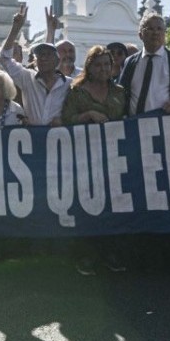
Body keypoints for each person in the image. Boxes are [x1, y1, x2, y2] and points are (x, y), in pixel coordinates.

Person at [61, 46, 127, 275]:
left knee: (113, 206)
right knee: (87, 206)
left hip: (113, 157)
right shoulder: (77, 91)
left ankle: (111, 252)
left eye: (107, 65)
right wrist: (87, 115)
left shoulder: (119, 91)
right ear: (89, 66)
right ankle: (86, 254)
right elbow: (66, 119)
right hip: (84, 157)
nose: (103, 69)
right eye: (98, 65)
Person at [0, 4, 70, 126]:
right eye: (40, 56)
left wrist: (64, 120)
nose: (43, 58)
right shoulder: (27, 78)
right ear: (35, 61)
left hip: (60, 141)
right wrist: (16, 28)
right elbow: (4, 58)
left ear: (57, 61)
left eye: (48, 55)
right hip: (33, 141)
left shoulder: (69, 84)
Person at [119, 12, 170, 117]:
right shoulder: (130, 62)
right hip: (134, 125)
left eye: (159, 29)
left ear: (165, 34)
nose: (155, 33)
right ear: (140, 35)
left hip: (166, 125)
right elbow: (121, 93)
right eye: (150, 29)